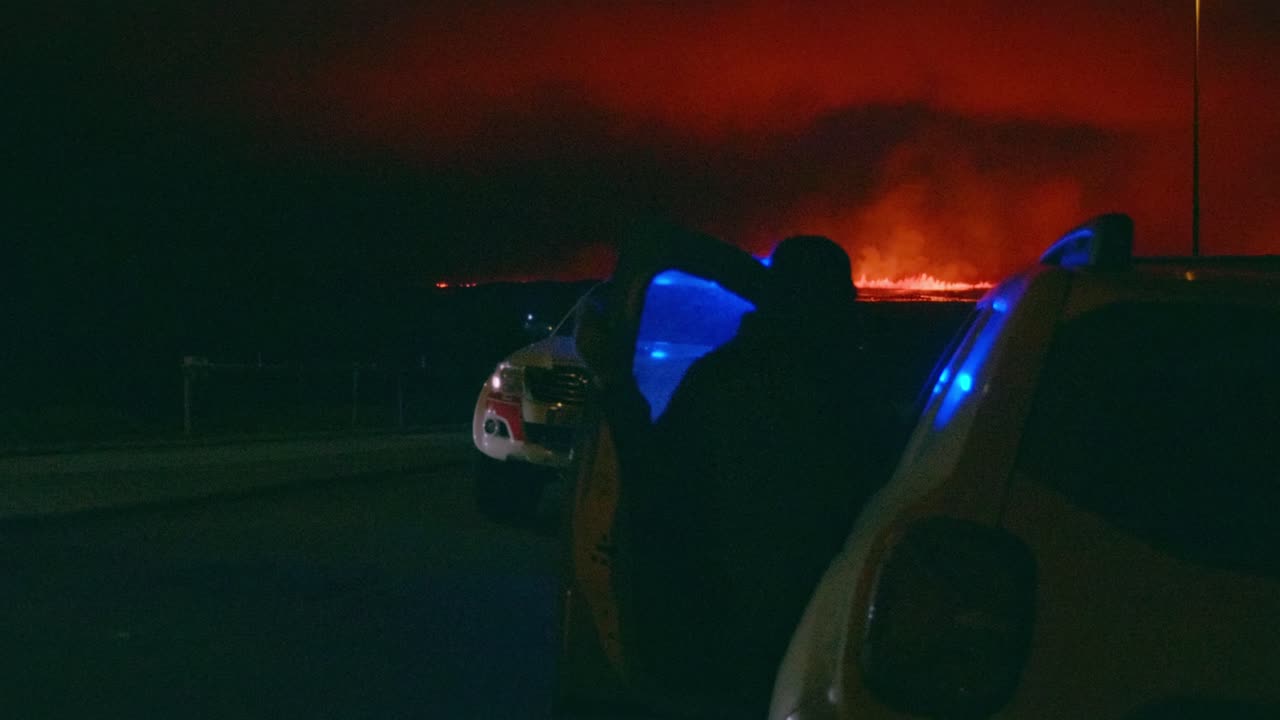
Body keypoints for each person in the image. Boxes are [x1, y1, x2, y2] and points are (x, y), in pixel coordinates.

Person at [627, 236, 902, 714]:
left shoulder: (716, 379)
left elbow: (654, 473)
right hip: (823, 616)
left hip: (721, 623)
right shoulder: (855, 391)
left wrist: (615, 390)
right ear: (835, 302)